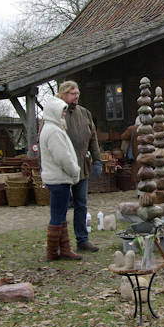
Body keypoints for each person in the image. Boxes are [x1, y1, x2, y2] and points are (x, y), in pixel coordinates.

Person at [58, 81, 103, 252]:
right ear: (63, 95)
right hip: (63, 169)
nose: (76, 96)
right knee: (62, 207)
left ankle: (82, 239)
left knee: (81, 204)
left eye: (77, 93)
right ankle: (62, 244)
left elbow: (93, 138)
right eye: (71, 93)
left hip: (82, 167)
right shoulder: (57, 114)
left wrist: (97, 160)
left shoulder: (85, 113)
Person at [40, 97, 82, 261]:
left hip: (57, 180)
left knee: (60, 215)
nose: (64, 114)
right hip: (58, 180)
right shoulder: (53, 131)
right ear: (54, 112)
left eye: (64, 111)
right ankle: (52, 252)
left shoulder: (51, 128)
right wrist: (74, 171)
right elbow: (63, 158)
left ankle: (64, 249)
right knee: (57, 216)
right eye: (61, 111)